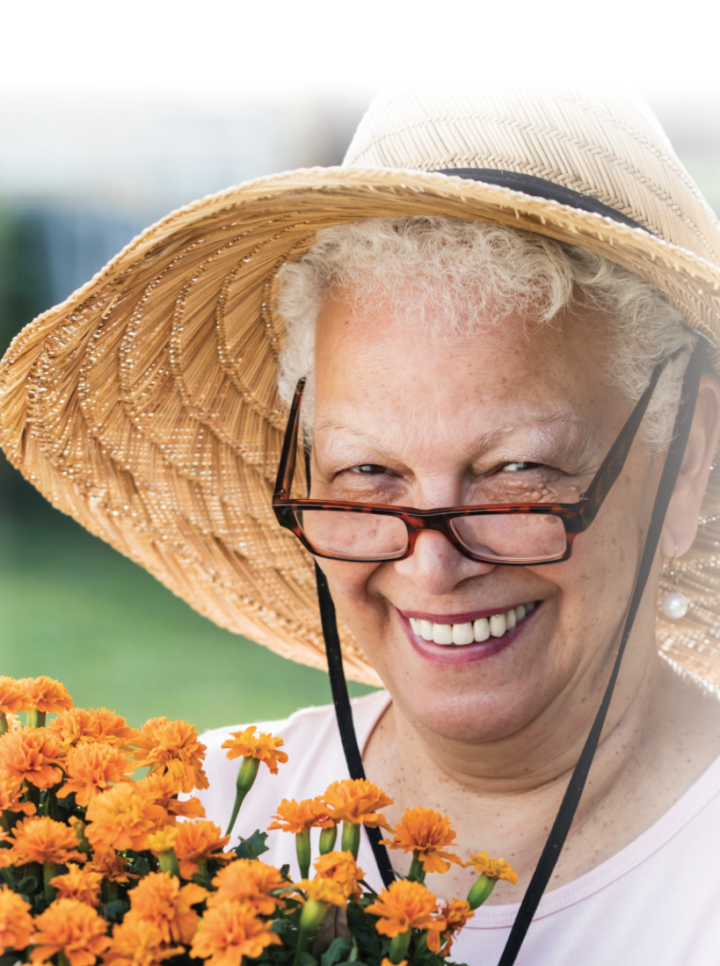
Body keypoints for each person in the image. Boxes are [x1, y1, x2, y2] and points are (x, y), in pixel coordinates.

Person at [2, 88, 720, 964]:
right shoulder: (180, 834)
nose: (431, 566)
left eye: (516, 471)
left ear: (687, 463)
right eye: (369, 474)